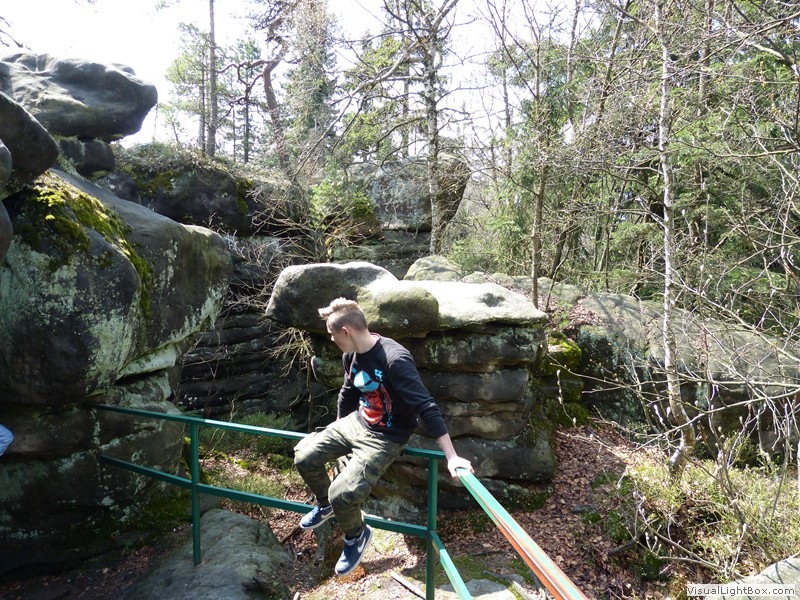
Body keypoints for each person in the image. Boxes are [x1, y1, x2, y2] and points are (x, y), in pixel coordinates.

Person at [294, 298, 474, 577]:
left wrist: (451, 457)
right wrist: (337, 430)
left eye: (331, 333)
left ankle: (356, 535)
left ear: (346, 332)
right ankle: (325, 505)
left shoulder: (394, 359)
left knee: (342, 493)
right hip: (357, 422)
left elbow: (426, 406)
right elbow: (348, 392)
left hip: (386, 436)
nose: (330, 339)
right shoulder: (350, 356)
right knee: (304, 456)